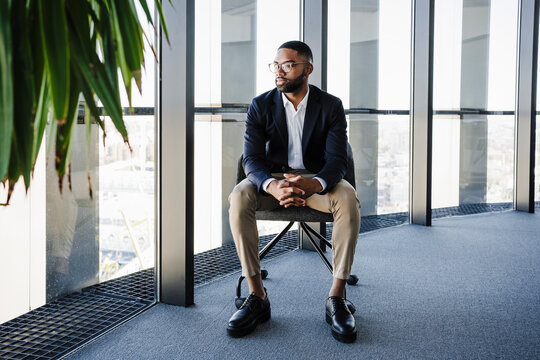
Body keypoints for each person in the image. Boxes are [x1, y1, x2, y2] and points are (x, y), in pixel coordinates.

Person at [227, 41, 361, 343]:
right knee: (239, 197)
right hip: (273, 183)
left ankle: (336, 298)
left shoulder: (331, 106)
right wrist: (273, 185)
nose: (279, 71)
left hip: (317, 183)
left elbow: (338, 160)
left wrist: (312, 184)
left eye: (287, 65)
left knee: (347, 197)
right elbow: (250, 158)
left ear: (307, 69)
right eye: (276, 65)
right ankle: (257, 295)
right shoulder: (260, 105)